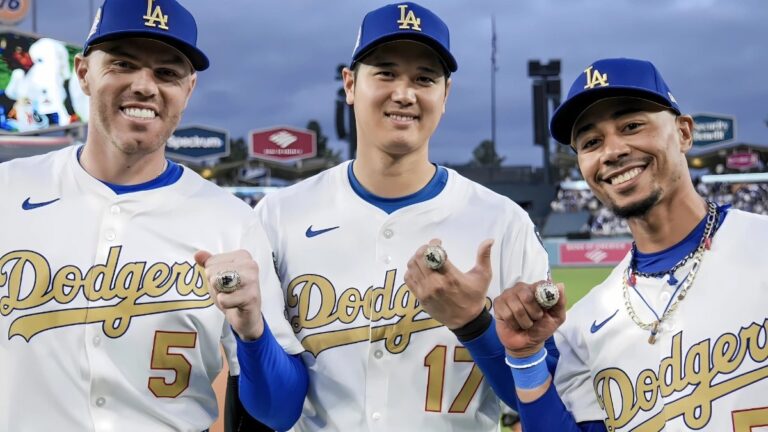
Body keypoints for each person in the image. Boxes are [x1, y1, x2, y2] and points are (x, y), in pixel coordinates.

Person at [196, 2, 553, 431]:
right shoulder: (280, 215)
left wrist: (475, 323)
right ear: (350, 84)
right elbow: (276, 411)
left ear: (446, 94)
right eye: (385, 72)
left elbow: (535, 402)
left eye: (424, 78)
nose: (404, 93)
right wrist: (251, 331)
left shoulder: (503, 225)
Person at [0, 0, 301, 431]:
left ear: (189, 89)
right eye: (123, 64)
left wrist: (253, 331)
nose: (145, 86)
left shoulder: (231, 223)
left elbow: (282, 411)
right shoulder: (7, 193)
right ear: (83, 73)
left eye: (166, 73)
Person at [494, 57, 768, 431]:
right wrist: (525, 357)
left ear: (684, 133)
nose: (612, 151)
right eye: (591, 142)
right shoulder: (584, 325)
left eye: (632, 125)